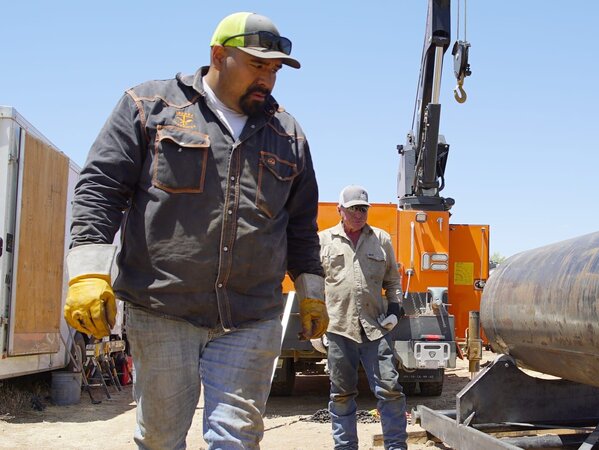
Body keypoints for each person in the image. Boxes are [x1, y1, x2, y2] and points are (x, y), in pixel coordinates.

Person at [62, 12, 328, 449]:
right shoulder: (150, 107)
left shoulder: (288, 135)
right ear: (218, 56)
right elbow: (100, 189)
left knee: (237, 439)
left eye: (275, 70)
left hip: (251, 316)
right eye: (257, 65)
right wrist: (88, 273)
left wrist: (311, 290)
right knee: (161, 438)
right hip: (162, 309)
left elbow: (300, 223)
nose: (267, 79)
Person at [319, 185, 408, 450]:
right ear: (340, 210)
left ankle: (396, 446)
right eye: (352, 209)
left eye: (363, 209)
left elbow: (392, 280)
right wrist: (316, 324)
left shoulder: (381, 239)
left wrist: (395, 310)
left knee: (390, 389)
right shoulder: (324, 240)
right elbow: (314, 283)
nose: (358, 214)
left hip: (375, 328)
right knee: (341, 394)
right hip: (338, 328)